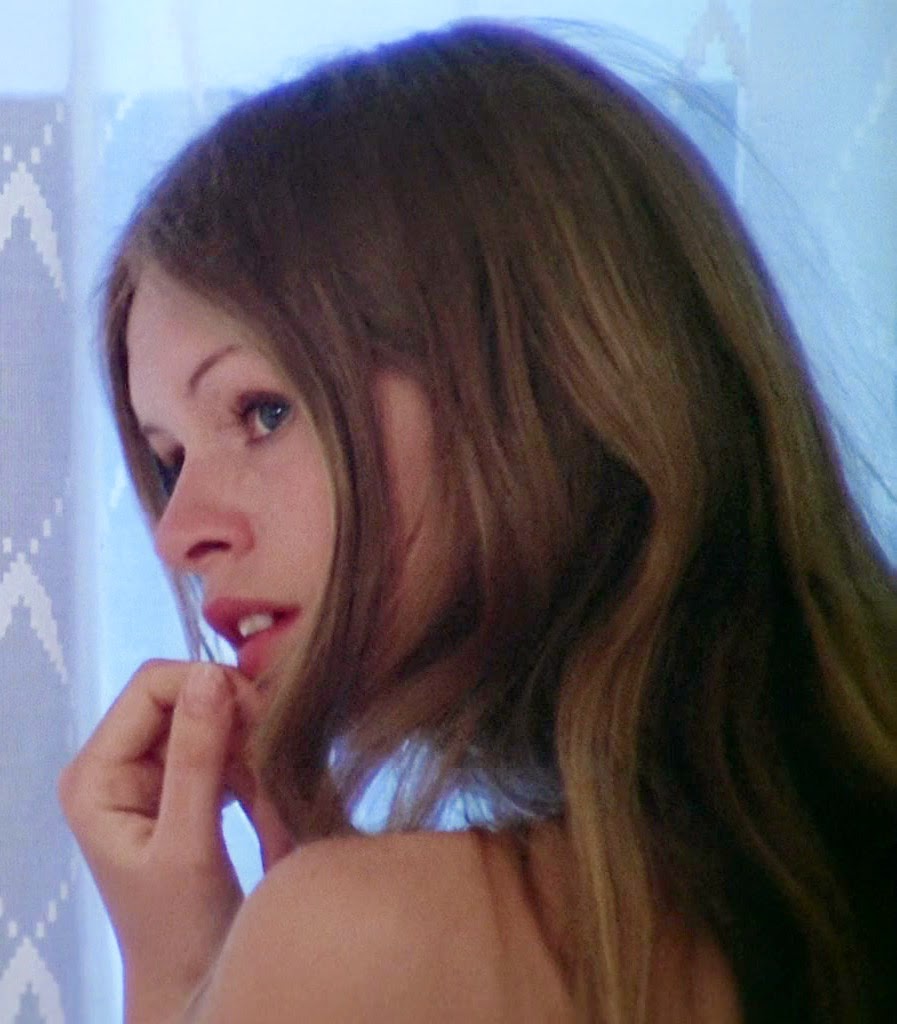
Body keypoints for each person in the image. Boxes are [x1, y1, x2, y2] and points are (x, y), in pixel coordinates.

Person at [59, 21, 897, 1024]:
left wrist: (183, 978)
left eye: (263, 411)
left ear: (540, 386)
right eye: (168, 461)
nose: (177, 533)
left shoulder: (365, 937)